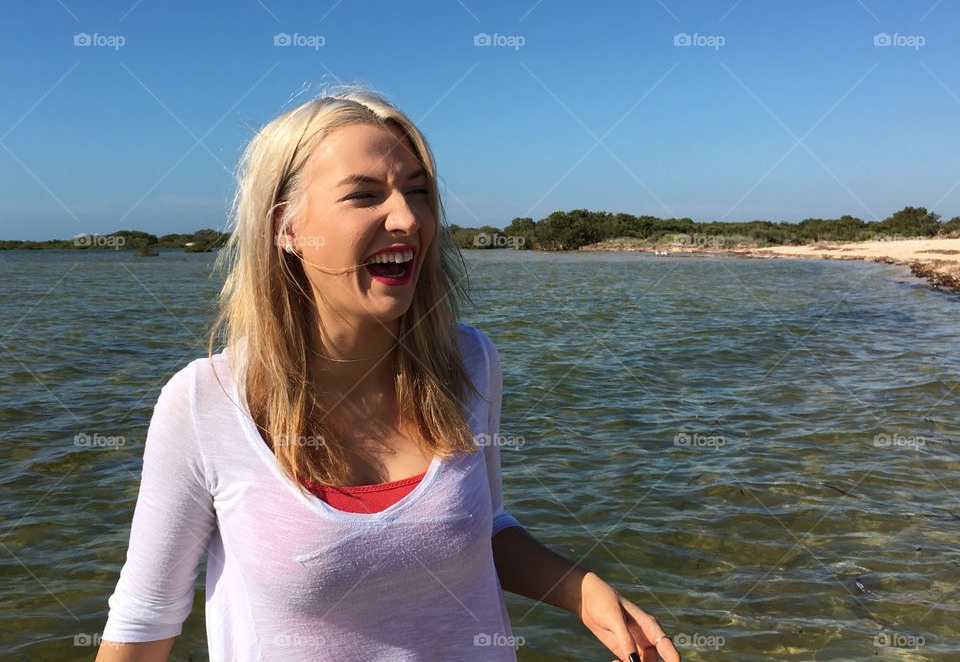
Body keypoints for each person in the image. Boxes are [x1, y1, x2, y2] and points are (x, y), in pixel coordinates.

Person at [96, 87, 680, 662]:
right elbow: (145, 618)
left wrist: (579, 590)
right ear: (286, 228)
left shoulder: (470, 364)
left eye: (419, 192)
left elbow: (482, 527)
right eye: (365, 195)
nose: (407, 217)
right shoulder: (206, 402)